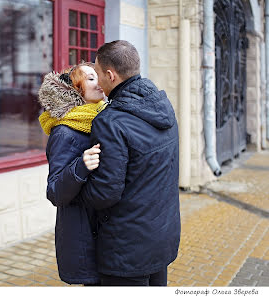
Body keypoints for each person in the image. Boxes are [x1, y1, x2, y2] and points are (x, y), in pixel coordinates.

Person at [81, 40, 180, 286]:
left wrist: (77, 187)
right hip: (161, 236)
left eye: (97, 72)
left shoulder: (110, 122)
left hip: (126, 249)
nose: (98, 81)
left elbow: (105, 192)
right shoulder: (162, 105)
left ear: (110, 75)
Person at [37, 62, 105, 285]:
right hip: (83, 232)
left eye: (99, 76)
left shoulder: (103, 119)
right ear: (76, 90)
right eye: (91, 79)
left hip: (105, 228)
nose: (99, 83)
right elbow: (55, 191)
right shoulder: (65, 132)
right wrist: (81, 166)